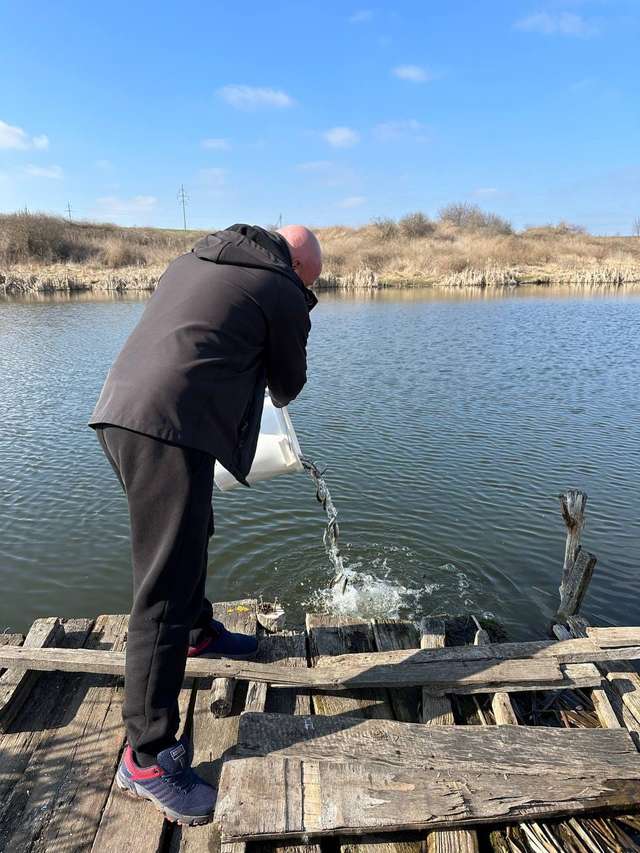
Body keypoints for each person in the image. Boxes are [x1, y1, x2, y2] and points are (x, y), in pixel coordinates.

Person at [89, 223, 322, 825]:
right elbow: (287, 385)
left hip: (125, 411)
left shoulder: (194, 259)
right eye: (312, 285)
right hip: (167, 425)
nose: (308, 292)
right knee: (162, 587)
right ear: (297, 268)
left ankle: (197, 632)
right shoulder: (278, 287)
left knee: (194, 531)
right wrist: (296, 312)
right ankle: (146, 756)